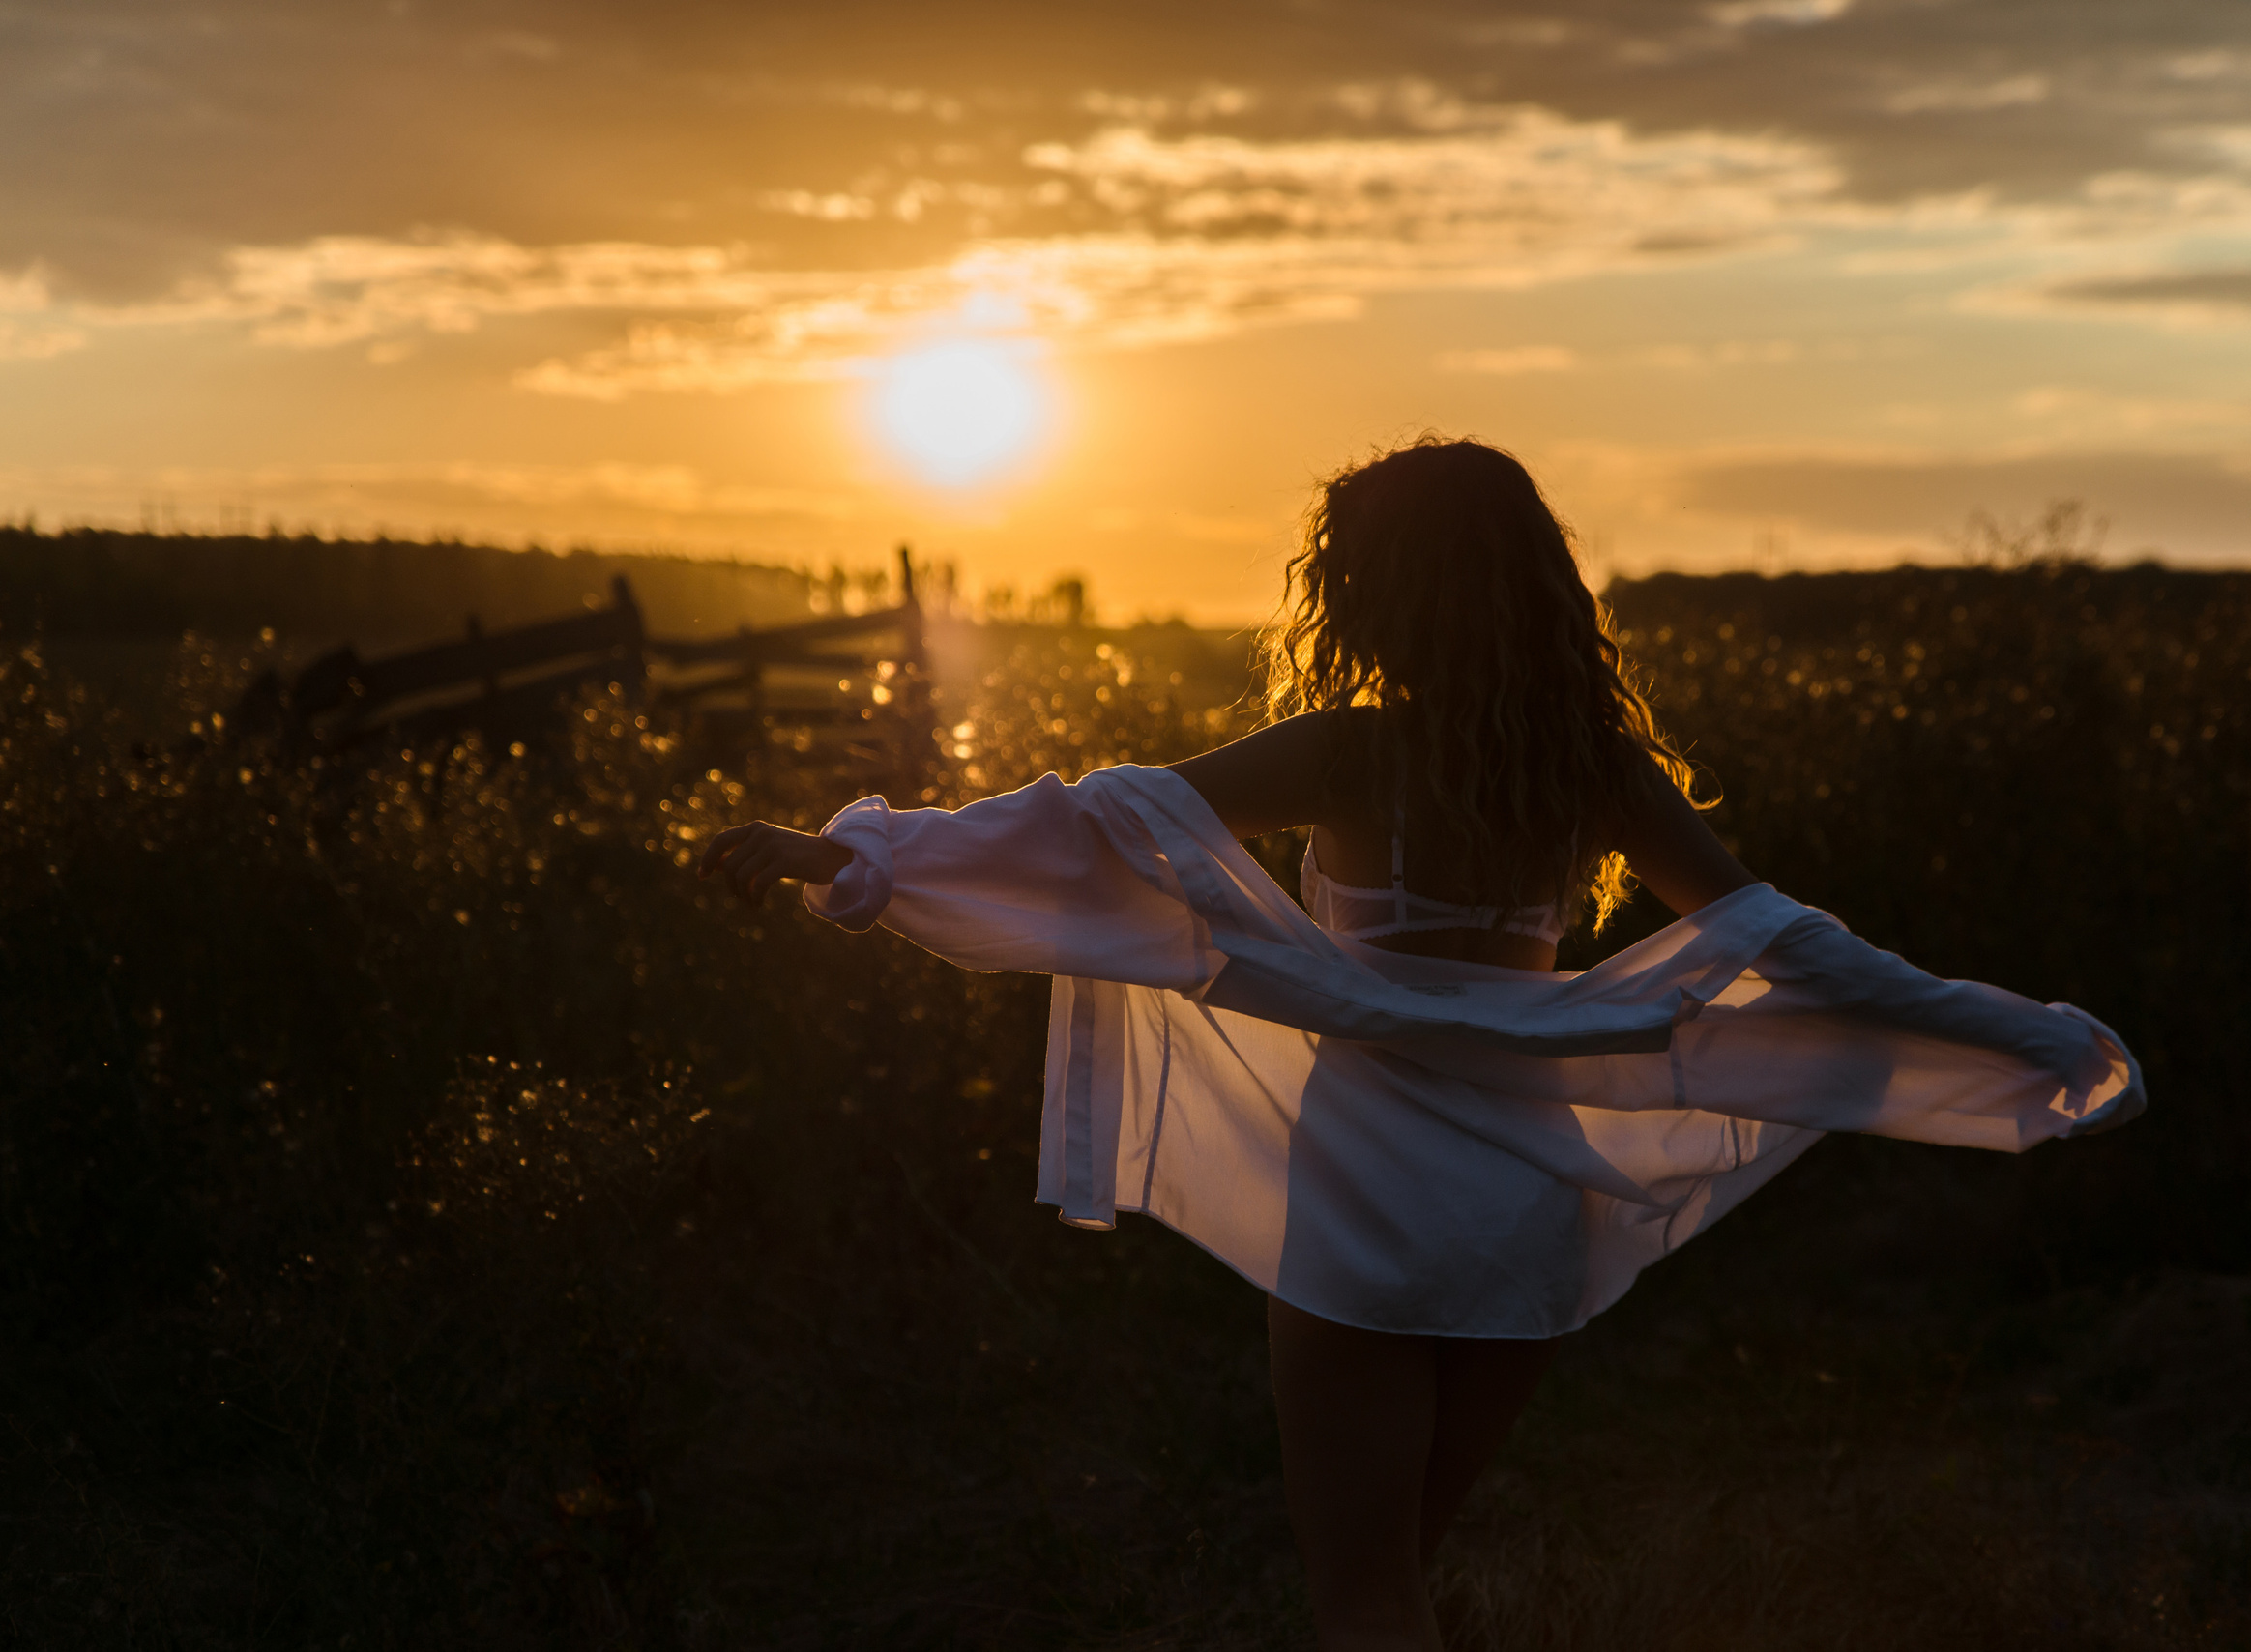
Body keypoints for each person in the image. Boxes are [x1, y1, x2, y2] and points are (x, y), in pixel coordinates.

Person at [699, 436, 2140, 1652]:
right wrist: (2027, 1036)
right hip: (1529, 1201)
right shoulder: (1595, 767)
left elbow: (1090, 825)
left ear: (1378, 590)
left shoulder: (1351, 751)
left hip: (1365, 1191)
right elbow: (1798, 945)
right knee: (1406, 1582)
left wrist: (853, 856)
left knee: (1365, 1596)